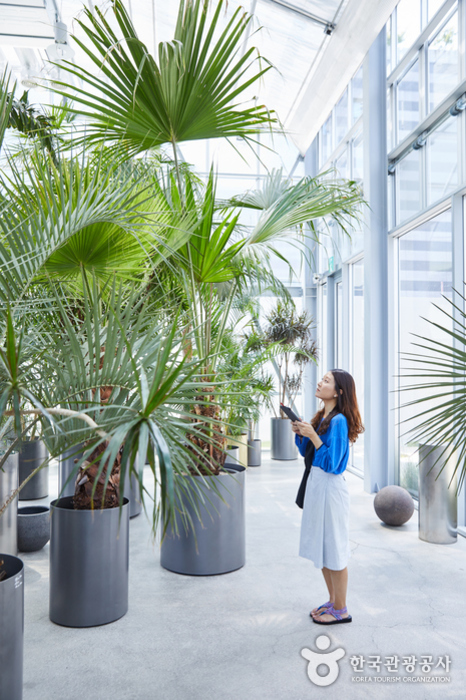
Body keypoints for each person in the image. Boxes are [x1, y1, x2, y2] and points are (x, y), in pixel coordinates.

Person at [292, 369, 364, 625]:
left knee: (334, 548)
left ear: (338, 391)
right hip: (316, 485)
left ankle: (341, 610)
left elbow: (334, 464)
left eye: (326, 381)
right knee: (322, 546)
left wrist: (312, 435)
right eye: (321, 378)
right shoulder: (322, 416)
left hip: (331, 489)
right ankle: (333, 602)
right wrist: (302, 434)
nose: (320, 382)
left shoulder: (339, 421)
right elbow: (308, 454)